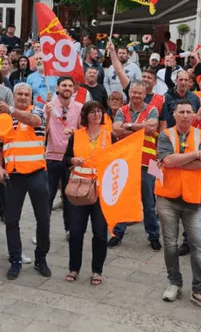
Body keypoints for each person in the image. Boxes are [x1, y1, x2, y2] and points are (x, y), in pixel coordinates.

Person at [156, 99, 201, 312]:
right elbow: (167, 161)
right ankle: (174, 282)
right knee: (170, 245)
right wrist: (195, 154)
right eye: (180, 111)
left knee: (198, 246)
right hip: (167, 198)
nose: (184, 115)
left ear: (194, 115)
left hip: (193, 199)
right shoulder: (165, 135)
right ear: (174, 114)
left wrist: (180, 159)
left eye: (188, 112)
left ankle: (199, 291)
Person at [0, 83, 49, 280]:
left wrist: (10, 109)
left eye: (27, 94)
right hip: (13, 175)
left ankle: (41, 258)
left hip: (36, 174)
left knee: (43, 219)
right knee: (11, 220)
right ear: (13, 95)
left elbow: (34, 121)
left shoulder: (39, 112)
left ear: (31, 96)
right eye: (19, 94)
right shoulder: (3, 118)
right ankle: (15, 259)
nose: (23, 97)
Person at [62, 101, 112, 285]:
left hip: (100, 191)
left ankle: (97, 270)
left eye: (99, 111)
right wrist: (72, 159)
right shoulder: (76, 136)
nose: (96, 114)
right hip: (79, 190)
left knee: (99, 233)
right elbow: (65, 160)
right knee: (75, 232)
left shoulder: (109, 136)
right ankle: (74, 268)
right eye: (92, 112)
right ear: (86, 115)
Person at [109, 81, 162, 250]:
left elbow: (151, 128)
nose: (137, 96)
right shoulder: (121, 110)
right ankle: (117, 233)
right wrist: (140, 127)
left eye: (140, 93)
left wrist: (128, 126)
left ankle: (153, 235)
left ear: (145, 94)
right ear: (129, 93)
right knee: (124, 198)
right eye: (134, 93)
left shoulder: (152, 109)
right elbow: (116, 130)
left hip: (147, 162)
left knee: (148, 201)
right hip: (125, 161)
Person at [45, 76, 81, 238]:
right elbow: (42, 132)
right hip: (52, 157)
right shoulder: (49, 107)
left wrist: (75, 133)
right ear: (57, 88)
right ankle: (42, 231)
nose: (67, 88)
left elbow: (84, 132)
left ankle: (70, 229)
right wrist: (46, 116)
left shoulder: (80, 108)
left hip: (70, 159)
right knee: (47, 197)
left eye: (70, 85)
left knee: (69, 197)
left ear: (73, 89)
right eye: (64, 85)